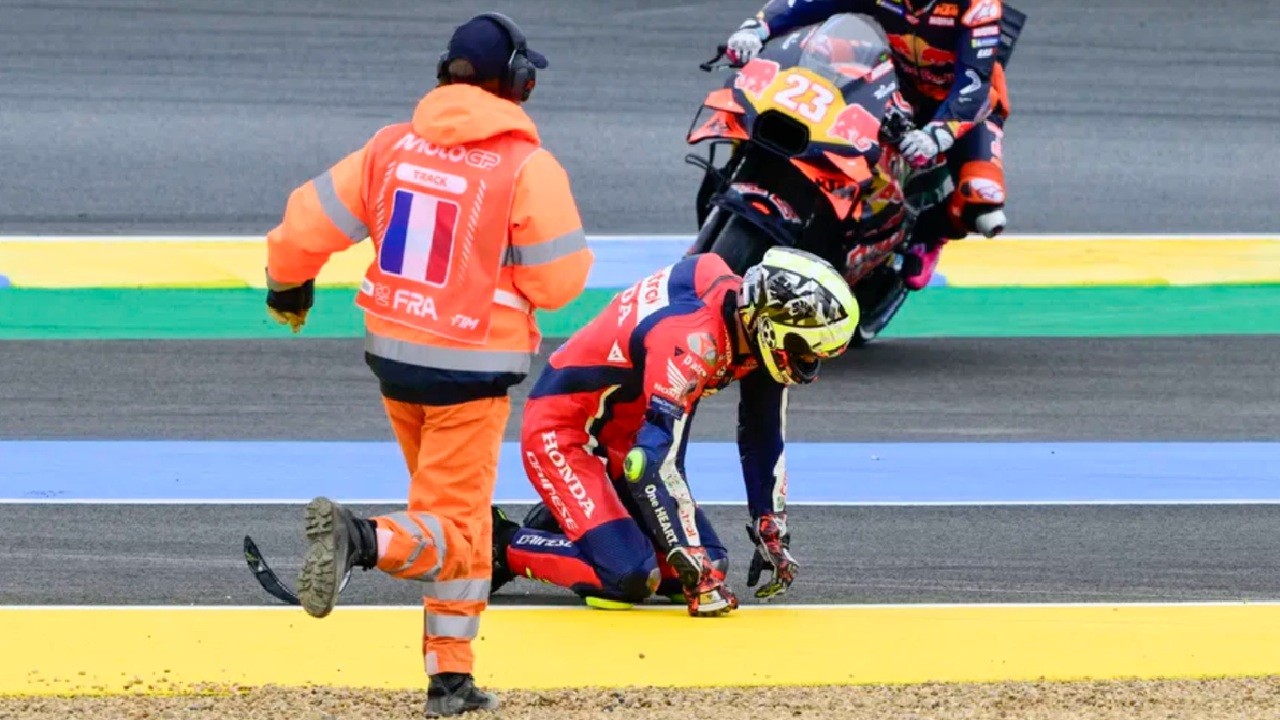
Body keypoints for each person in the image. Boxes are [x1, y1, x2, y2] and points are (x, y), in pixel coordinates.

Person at [261, 11, 592, 716]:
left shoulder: (390, 147)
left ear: (445, 75)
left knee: (460, 523)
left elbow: (305, 220)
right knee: (454, 531)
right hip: (470, 375)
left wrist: (287, 284)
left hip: (396, 362)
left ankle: (451, 677)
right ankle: (360, 538)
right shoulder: (526, 167)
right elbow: (559, 283)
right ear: (518, 85)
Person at [487, 247, 860, 616]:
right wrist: (695, 570)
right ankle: (501, 542)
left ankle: (575, 518)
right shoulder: (693, 340)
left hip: (625, 439)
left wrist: (771, 530)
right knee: (629, 577)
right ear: (770, 326)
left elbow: (763, 437)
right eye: (807, 351)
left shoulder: (752, 321)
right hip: (565, 433)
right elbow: (650, 463)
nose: (810, 364)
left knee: (712, 562)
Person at [724, 0, 1013, 290]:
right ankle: (758, 169)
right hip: (896, 82)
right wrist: (758, 28)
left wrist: (938, 133)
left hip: (962, 105)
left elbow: (973, 84)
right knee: (821, 55)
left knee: (983, 202)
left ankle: (928, 235)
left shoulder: (978, 7)